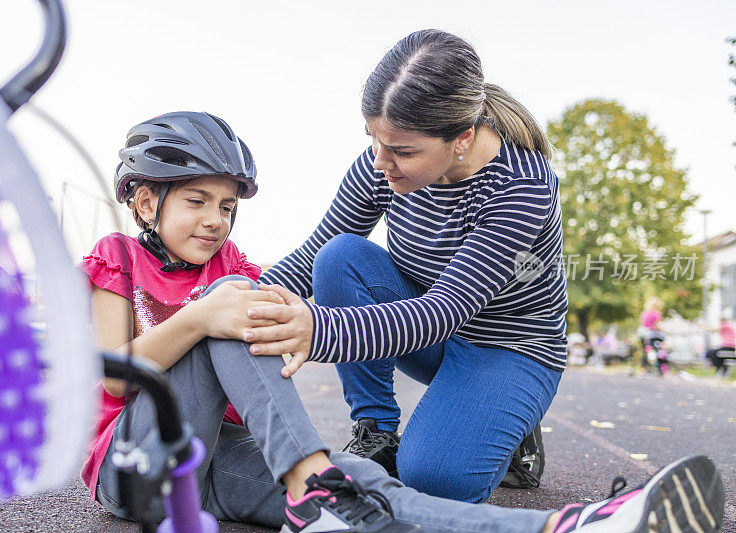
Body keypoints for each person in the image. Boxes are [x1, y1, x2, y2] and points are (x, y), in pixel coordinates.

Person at [80, 111, 725, 533]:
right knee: (231, 302)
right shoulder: (117, 260)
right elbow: (112, 380)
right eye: (197, 202)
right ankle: (313, 486)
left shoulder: (232, 264)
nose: (216, 220)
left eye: (225, 206)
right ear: (145, 199)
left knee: (364, 492)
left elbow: (265, 354)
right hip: (134, 465)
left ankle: (575, 526)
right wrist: (203, 315)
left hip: (217, 463)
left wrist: (259, 316)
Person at [251, 28, 566, 501]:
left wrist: (315, 332)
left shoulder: (521, 188)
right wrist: (229, 299)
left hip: (507, 347)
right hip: (427, 330)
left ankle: (506, 415)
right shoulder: (382, 162)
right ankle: (376, 430)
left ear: (461, 138)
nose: (381, 162)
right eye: (374, 140)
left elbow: (442, 310)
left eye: (402, 151)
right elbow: (312, 253)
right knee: (339, 255)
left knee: (433, 479)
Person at [638, 298, 665, 373]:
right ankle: (661, 369)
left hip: (643, 334)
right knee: (659, 350)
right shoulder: (656, 313)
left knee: (645, 352)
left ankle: (644, 369)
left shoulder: (644, 313)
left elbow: (642, 323)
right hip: (653, 335)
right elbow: (658, 325)